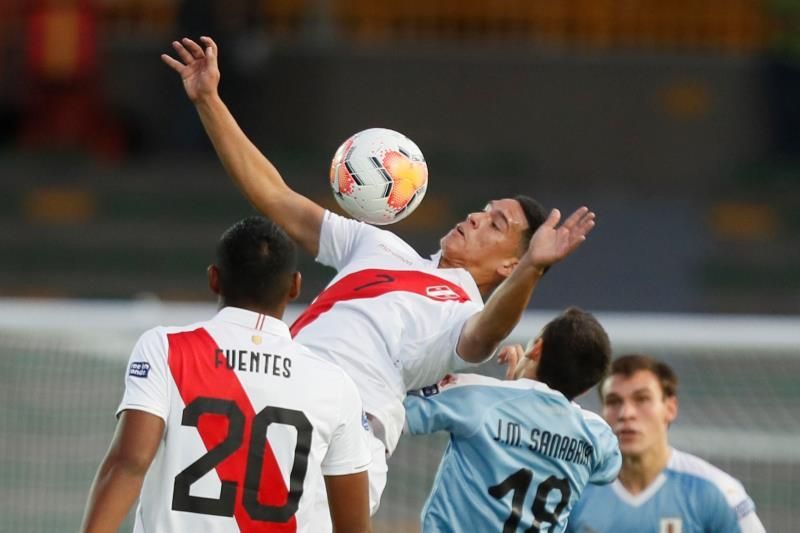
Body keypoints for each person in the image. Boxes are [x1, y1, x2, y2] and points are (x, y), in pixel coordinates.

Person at [161, 35, 597, 514]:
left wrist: (534, 270)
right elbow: (279, 199)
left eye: (496, 224)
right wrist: (209, 101)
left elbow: (483, 336)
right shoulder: (380, 244)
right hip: (275, 413)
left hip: (342, 444)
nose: (475, 217)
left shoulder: (464, 313)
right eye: (483, 209)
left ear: (511, 264)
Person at [80, 217, 372, 533]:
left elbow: (130, 463)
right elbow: (354, 527)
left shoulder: (167, 348)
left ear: (214, 279)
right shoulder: (334, 383)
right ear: (295, 285)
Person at [404, 307, 621, 532]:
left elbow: (397, 416)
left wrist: (513, 395)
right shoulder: (597, 436)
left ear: (536, 349)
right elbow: (609, 470)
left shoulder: (476, 396)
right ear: (586, 388)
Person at [567, 354, 766, 533]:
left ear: (670, 408)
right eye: (614, 402)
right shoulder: (575, 491)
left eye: (642, 399)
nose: (626, 414)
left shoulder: (715, 491)